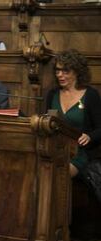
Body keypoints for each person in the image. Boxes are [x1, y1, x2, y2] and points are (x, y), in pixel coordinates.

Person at [45, 49, 101, 177]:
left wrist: (89, 136)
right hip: (55, 148)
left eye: (65, 71)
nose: (60, 74)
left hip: (80, 152)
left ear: (77, 72)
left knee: (58, 174)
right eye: (57, 70)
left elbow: (100, 128)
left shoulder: (91, 95)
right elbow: (47, 122)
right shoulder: (52, 94)